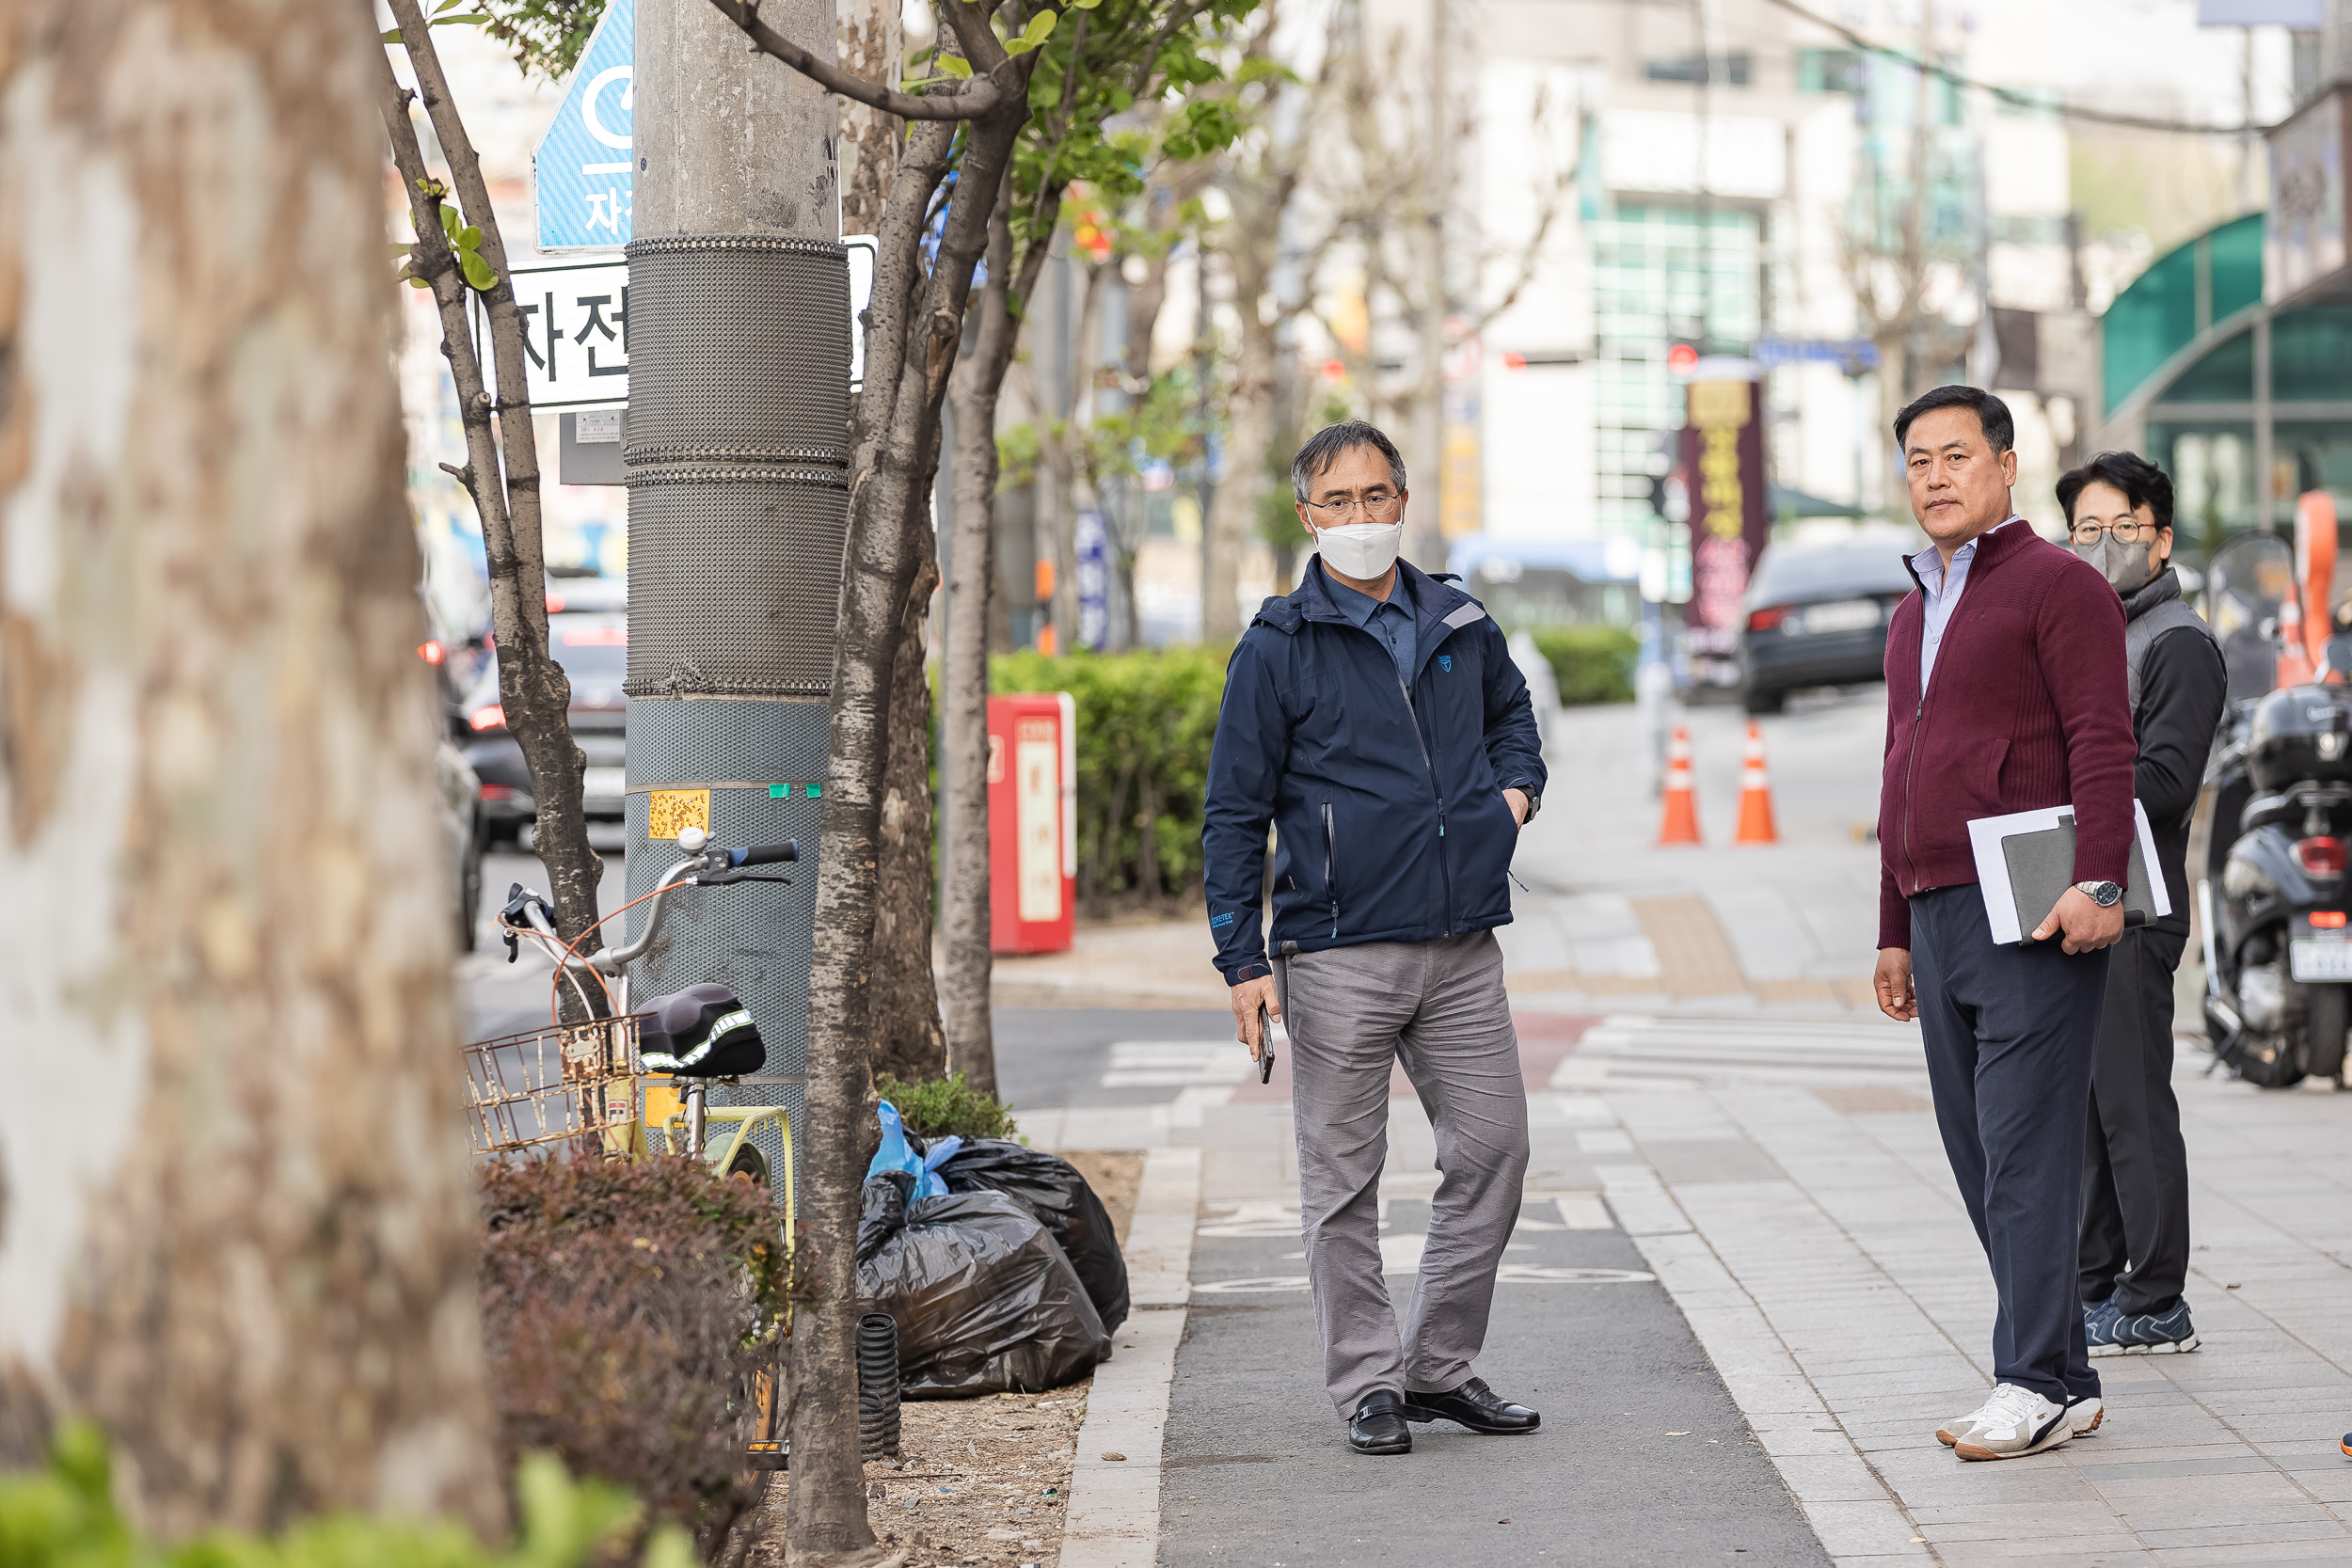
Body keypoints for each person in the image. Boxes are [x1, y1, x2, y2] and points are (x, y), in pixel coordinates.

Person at [1200, 420, 1548, 1457]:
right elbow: (1233, 812)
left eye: (1376, 495)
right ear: (1308, 517)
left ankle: (1437, 1365)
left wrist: (1511, 802)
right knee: (1342, 1182)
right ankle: (1366, 1382)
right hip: (1338, 950)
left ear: (1404, 499)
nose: (1360, 517)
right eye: (1338, 502)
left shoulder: (1460, 618)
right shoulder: (1276, 645)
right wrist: (1242, 959)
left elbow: (1513, 719)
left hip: (1460, 946)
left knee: (1495, 1149)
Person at [1871, 386, 2137, 1461]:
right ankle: (2066, 1374)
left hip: (2030, 911)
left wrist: (2102, 881)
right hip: (1932, 911)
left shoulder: (2058, 586)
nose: (1935, 477)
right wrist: (1890, 921)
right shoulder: (1907, 611)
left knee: (2025, 1152)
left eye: (1956, 456)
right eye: (1917, 462)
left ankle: (2026, 1377)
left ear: (2005, 464)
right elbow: (1896, 767)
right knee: (1982, 1154)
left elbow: (2101, 738)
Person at [2058, 452, 2223, 1357]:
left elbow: (2164, 780)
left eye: (2122, 528)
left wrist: (2073, 771)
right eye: (2085, 529)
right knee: (2084, 1108)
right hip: (2076, 898)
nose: (2102, 545)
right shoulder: (2088, 632)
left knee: (2131, 1104)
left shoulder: (2179, 642)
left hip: (2138, 907)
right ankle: (2097, 1281)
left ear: (2160, 538)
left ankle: (2158, 1294)